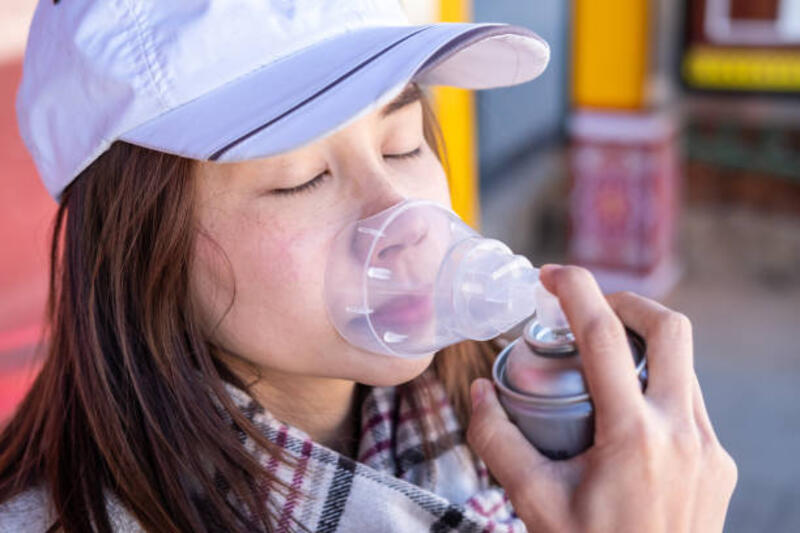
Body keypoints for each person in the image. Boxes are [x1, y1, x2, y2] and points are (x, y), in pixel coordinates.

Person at [0, 1, 737, 532]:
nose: (406, 220)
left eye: (404, 142)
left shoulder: (517, 417)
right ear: (138, 250)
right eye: (299, 177)